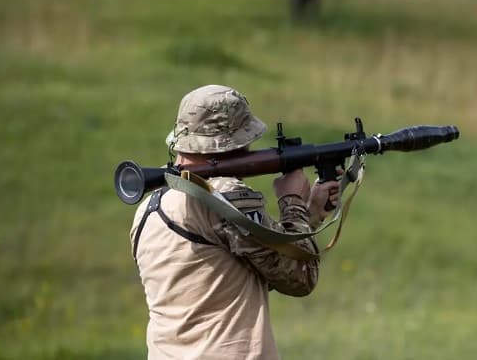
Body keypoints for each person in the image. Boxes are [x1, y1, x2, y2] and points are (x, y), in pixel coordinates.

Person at [130, 84, 339, 359]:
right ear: (235, 141)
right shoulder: (220, 197)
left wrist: (309, 214)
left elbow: (238, 273)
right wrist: (292, 201)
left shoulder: (150, 206)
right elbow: (299, 276)